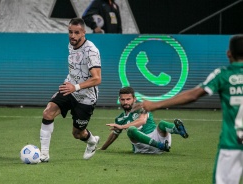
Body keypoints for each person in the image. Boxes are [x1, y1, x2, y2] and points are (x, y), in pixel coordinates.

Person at [132, 35, 243, 183]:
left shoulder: (223, 74)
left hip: (232, 143)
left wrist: (156, 104)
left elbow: (193, 95)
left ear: (229, 53)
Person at [39, 18, 101, 161]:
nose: (72, 36)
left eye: (76, 33)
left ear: (84, 33)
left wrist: (76, 87)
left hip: (86, 97)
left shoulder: (91, 51)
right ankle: (44, 154)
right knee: (48, 113)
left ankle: (91, 141)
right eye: (70, 32)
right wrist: (71, 86)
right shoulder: (71, 44)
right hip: (69, 87)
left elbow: (97, 79)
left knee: (77, 134)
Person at [100, 86, 188, 154]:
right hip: (141, 147)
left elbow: (142, 121)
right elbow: (114, 135)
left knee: (162, 124)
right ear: (119, 100)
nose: (125, 102)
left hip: (158, 139)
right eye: (123, 100)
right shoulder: (119, 119)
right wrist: (102, 148)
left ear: (134, 99)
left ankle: (178, 130)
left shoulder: (142, 108)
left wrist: (122, 126)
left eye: (128, 99)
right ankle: (161, 145)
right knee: (131, 130)